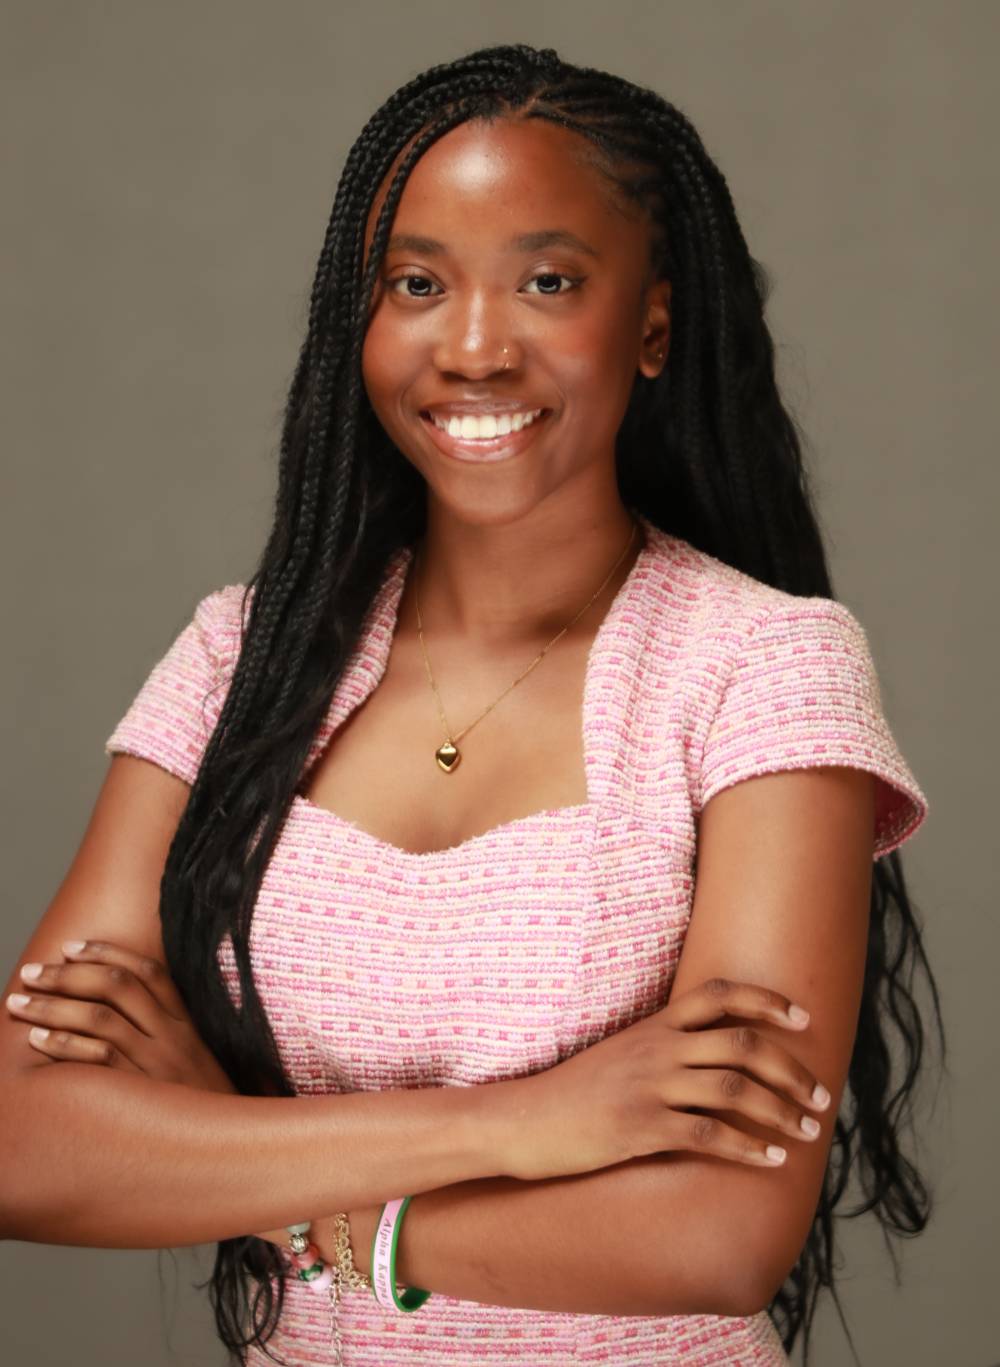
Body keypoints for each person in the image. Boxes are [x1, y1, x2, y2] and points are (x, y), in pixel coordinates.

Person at [1, 42, 940, 1367]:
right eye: (418, 284)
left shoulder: (763, 667)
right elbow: (26, 1143)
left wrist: (267, 1173)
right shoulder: (238, 660)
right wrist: (531, 1124)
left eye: (549, 281)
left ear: (654, 322)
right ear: (362, 320)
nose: (478, 346)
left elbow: (724, 1233)